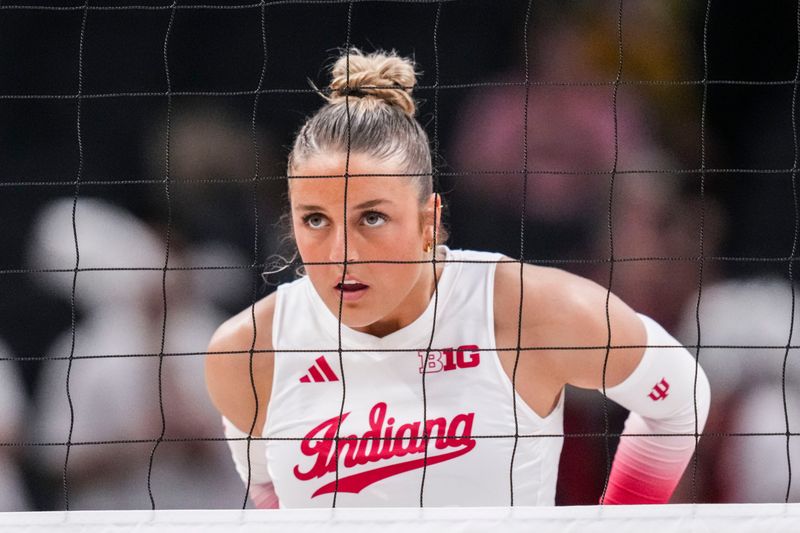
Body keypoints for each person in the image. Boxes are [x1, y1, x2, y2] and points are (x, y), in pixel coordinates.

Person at [205, 48, 710, 508]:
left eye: (372, 218)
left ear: (428, 220)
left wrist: (617, 521)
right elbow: (274, 505)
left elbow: (682, 400)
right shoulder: (247, 353)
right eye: (315, 220)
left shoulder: (527, 310)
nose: (342, 254)